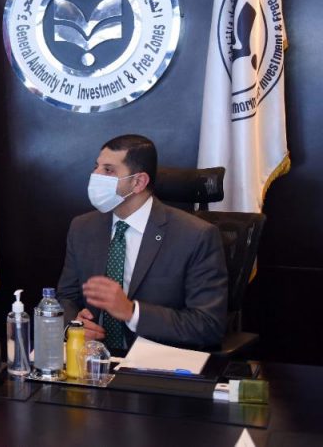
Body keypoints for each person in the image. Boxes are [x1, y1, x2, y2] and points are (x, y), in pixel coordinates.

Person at [56, 135, 228, 351]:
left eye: (108, 170)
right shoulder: (83, 227)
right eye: (96, 167)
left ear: (138, 182)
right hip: (91, 359)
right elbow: (66, 297)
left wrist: (131, 312)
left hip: (156, 360)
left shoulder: (196, 235)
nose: (95, 176)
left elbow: (208, 325)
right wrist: (72, 325)